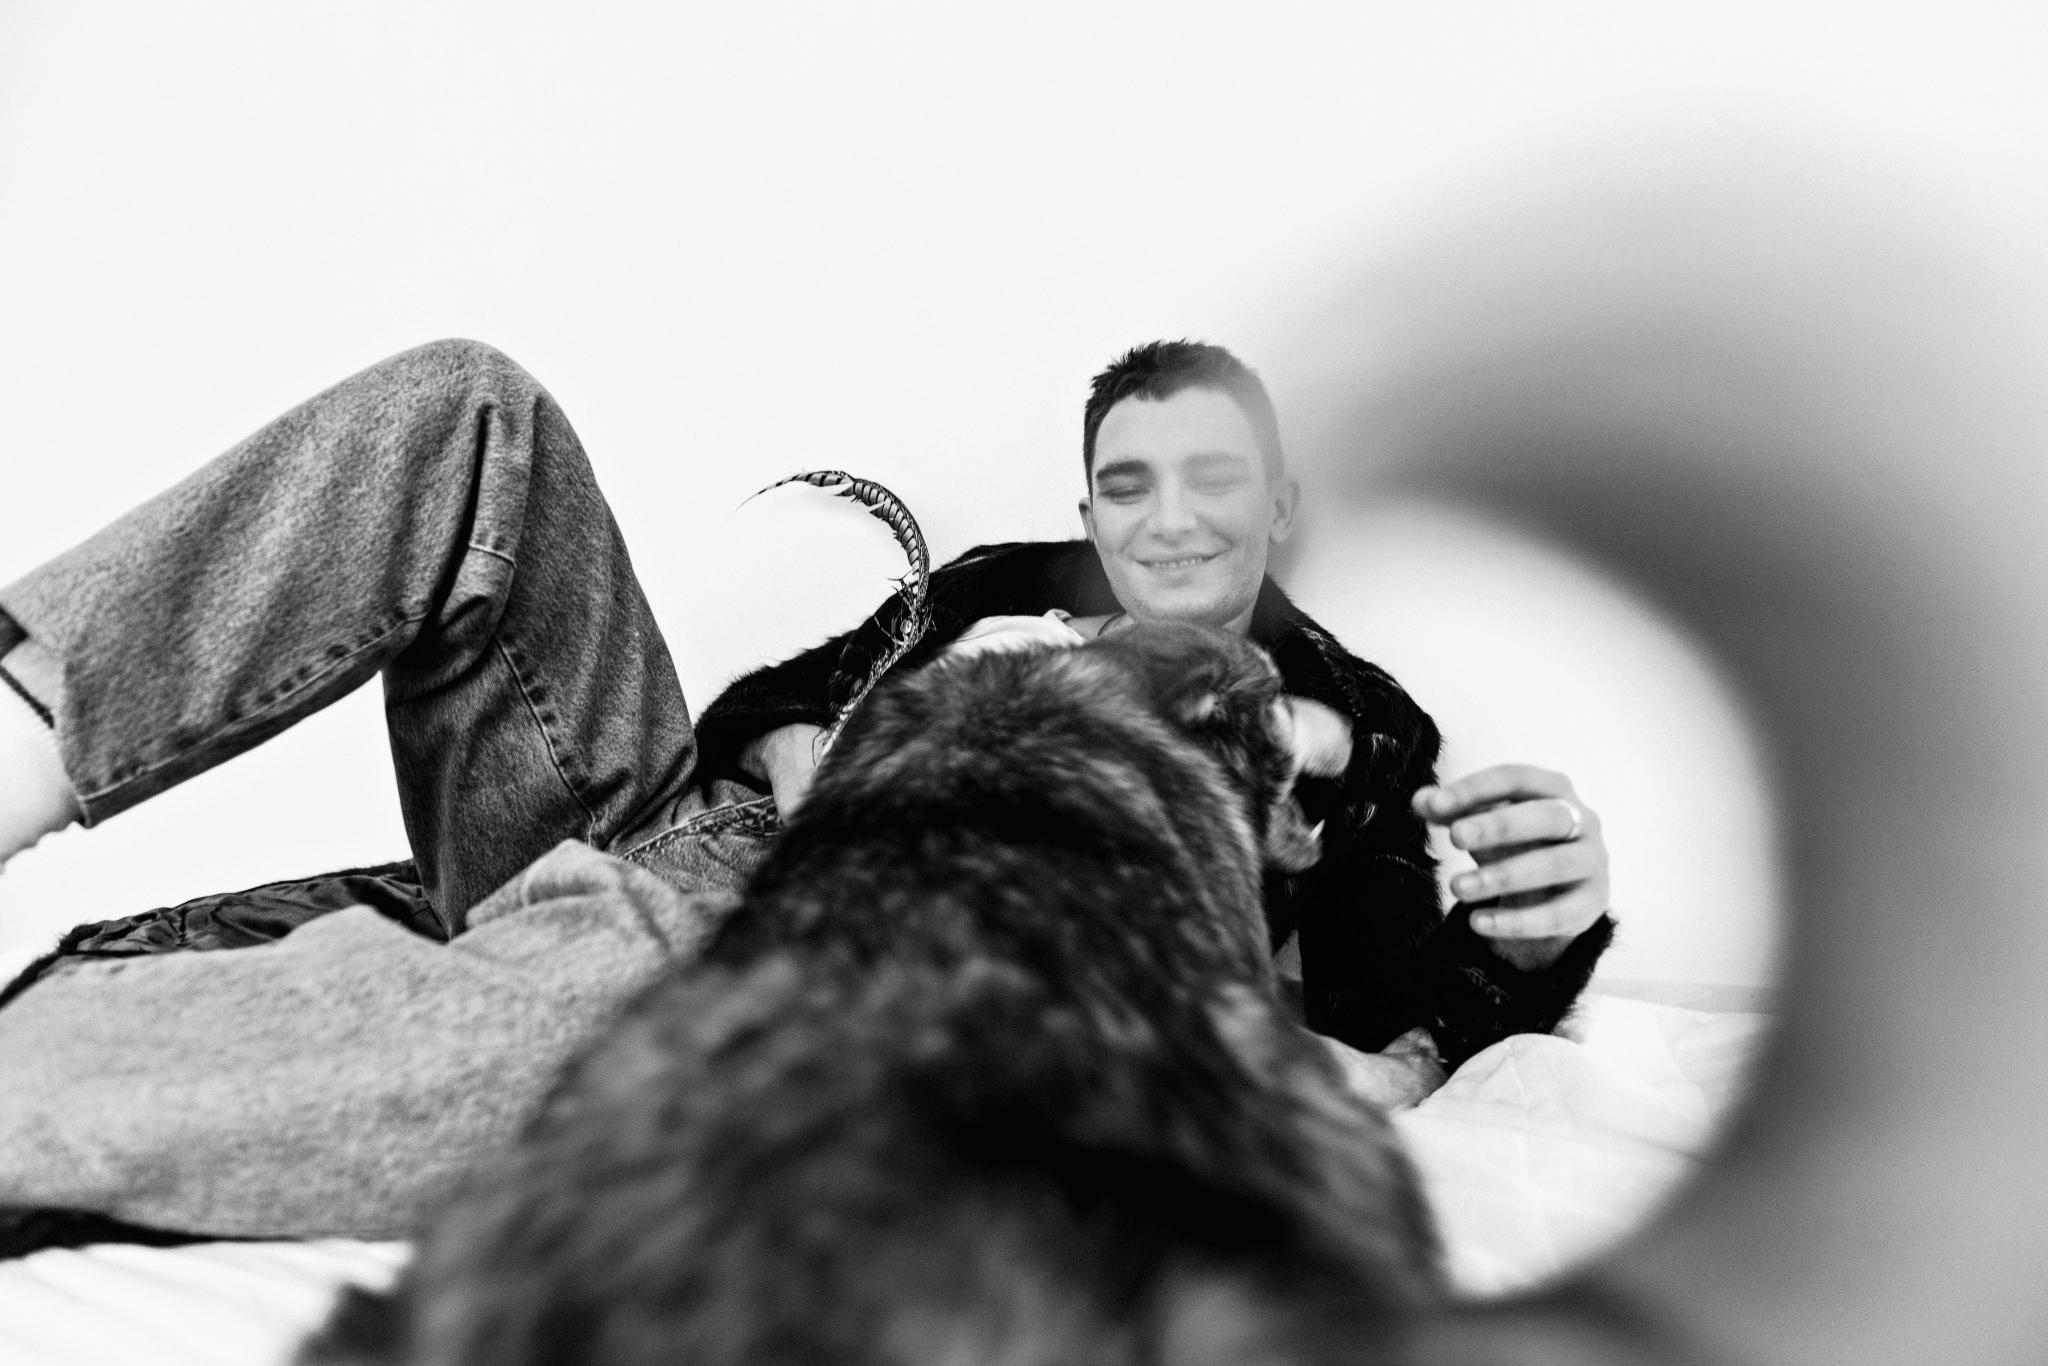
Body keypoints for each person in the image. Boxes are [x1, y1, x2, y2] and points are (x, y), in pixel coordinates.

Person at [0, 336, 1611, 1243]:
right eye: (1129, 484)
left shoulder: (1353, 724)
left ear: (1283, 502)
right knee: (471, 413)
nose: (1169, 520)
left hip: (846, 946)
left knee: (647, 991)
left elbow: (1394, 997)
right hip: (680, 835)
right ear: (1090, 510)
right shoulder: (996, 589)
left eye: (1213, 480)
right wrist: (833, 752)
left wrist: (1537, 938)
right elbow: (760, 709)